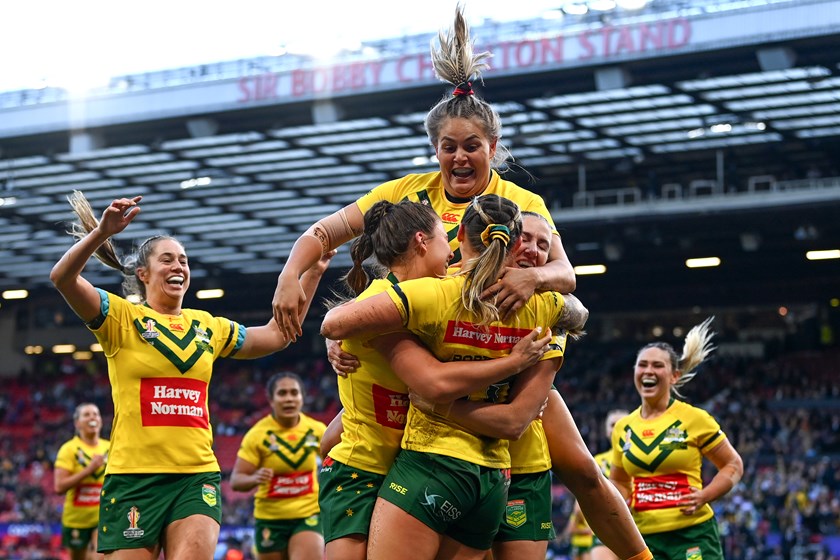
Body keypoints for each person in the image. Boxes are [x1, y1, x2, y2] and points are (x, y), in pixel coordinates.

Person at [324, 211, 650, 560]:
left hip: (501, 464)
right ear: (505, 240)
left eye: (545, 246)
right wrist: (344, 334)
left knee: (586, 473)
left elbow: (512, 418)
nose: (534, 250)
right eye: (525, 238)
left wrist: (437, 404)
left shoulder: (537, 312)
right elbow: (352, 319)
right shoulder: (459, 289)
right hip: (465, 465)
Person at [49, 192, 333, 560]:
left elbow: (278, 335)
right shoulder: (120, 319)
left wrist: (310, 274)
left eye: (183, 260)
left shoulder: (208, 326)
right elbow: (62, 277)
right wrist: (102, 232)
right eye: (166, 259)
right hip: (134, 479)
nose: (178, 266)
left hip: (195, 476)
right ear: (143, 273)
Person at [272, 4, 575, 343]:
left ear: (492, 147)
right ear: (436, 150)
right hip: (410, 339)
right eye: (449, 147)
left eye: (471, 146)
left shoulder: (521, 202)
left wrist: (532, 278)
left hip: (481, 341)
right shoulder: (405, 192)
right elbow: (324, 233)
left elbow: (564, 273)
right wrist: (290, 274)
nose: (459, 157)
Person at [319, 200, 554, 560]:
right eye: (444, 240)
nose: (451, 251)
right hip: (368, 468)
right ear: (422, 242)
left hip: (414, 463)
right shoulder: (391, 301)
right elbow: (337, 326)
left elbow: (339, 326)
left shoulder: (434, 294)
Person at [610, 318, 744, 560]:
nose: (648, 370)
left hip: (692, 534)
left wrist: (706, 495)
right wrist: (622, 502)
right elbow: (619, 481)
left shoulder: (695, 418)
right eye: (642, 365)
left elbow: (733, 465)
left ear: (674, 376)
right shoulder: (623, 428)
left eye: (657, 366)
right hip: (643, 538)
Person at [231, 372, 327, 560]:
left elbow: (335, 465)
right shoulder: (257, 435)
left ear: (302, 397)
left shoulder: (317, 430)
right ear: (271, 400)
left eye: (294, 393)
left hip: (308, 514)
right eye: (282, 393)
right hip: (270, 520)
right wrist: (254, 478)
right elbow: (236, 481)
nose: (289, 399)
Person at [560, 409, 629, 560]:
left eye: (621, 424)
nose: (616, 429)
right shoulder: (597, 462)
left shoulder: (640, 460)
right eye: (612, 425)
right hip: (608, 529)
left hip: (642, 525)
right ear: (606, 431)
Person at [54, 403, 110, 560]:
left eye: (96, 414)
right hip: (76, 520)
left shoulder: (110, 447)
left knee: (101, 556)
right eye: (87, 414)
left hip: (102, 517)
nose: (92, 417)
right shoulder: (69, 449)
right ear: (77, 423)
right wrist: (89, 469)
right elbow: (59, 487)